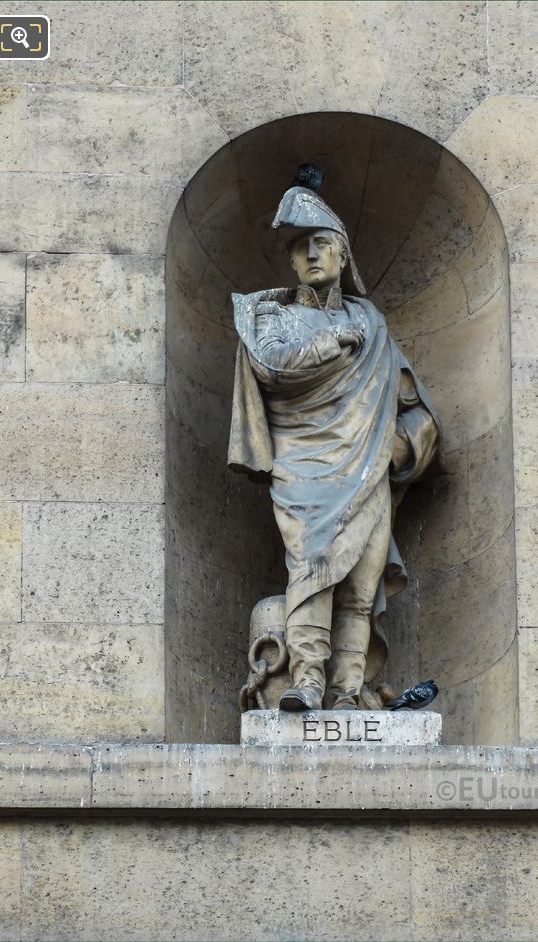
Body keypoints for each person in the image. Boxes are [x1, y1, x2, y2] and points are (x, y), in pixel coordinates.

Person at [229, 172, 441, 711]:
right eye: (301, 249)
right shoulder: (271, 317)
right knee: (311, 570)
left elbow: (415, 409)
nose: (312, 254)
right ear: (293, 263)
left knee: (359, 587)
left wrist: (402, 445)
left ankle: (347, 690)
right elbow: (271, 366)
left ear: (343, 255)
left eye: (322, 243)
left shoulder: (371, 321)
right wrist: (326, 345)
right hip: (304, 465)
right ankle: (305, 680)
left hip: (368, 464)